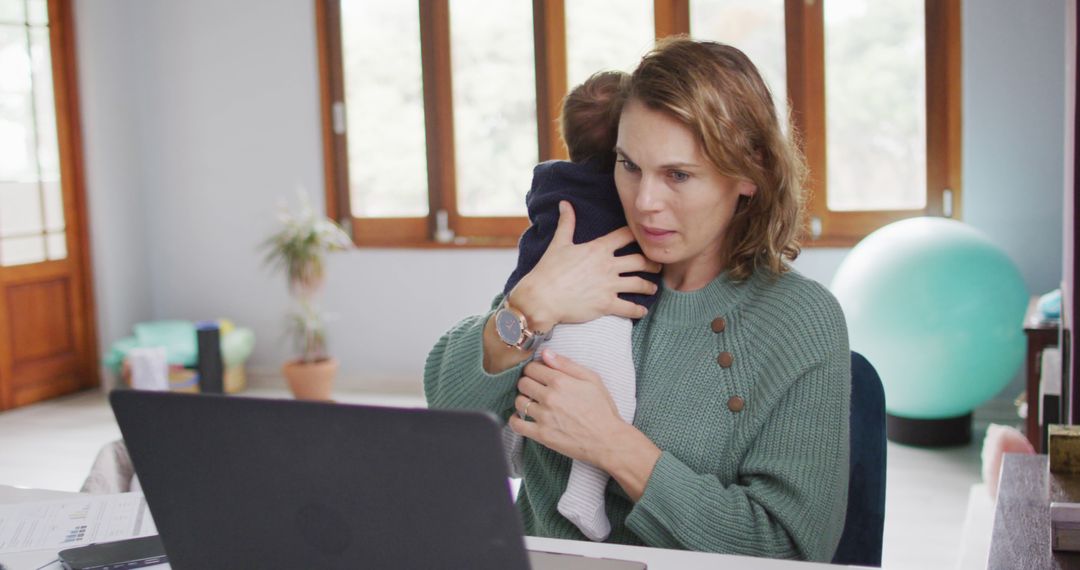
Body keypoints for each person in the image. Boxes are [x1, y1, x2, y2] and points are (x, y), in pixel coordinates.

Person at [424, 37, 851, 562]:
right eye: (629, 166)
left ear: (748, 173)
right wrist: (529, 305)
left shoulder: (800, 320)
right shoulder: (584, 254)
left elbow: (789, 549)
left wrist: (612, 445)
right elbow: (447, 422)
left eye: (677, 175)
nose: (644, 201)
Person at [498, 70, 661, 542]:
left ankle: (511, 441)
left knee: (530, 380)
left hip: (533, 302)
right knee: (616, 403)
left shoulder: (548, 181)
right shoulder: (622, 193)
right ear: (624, 153)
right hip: (596, 321)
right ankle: (585, 493)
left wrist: (526, 303)